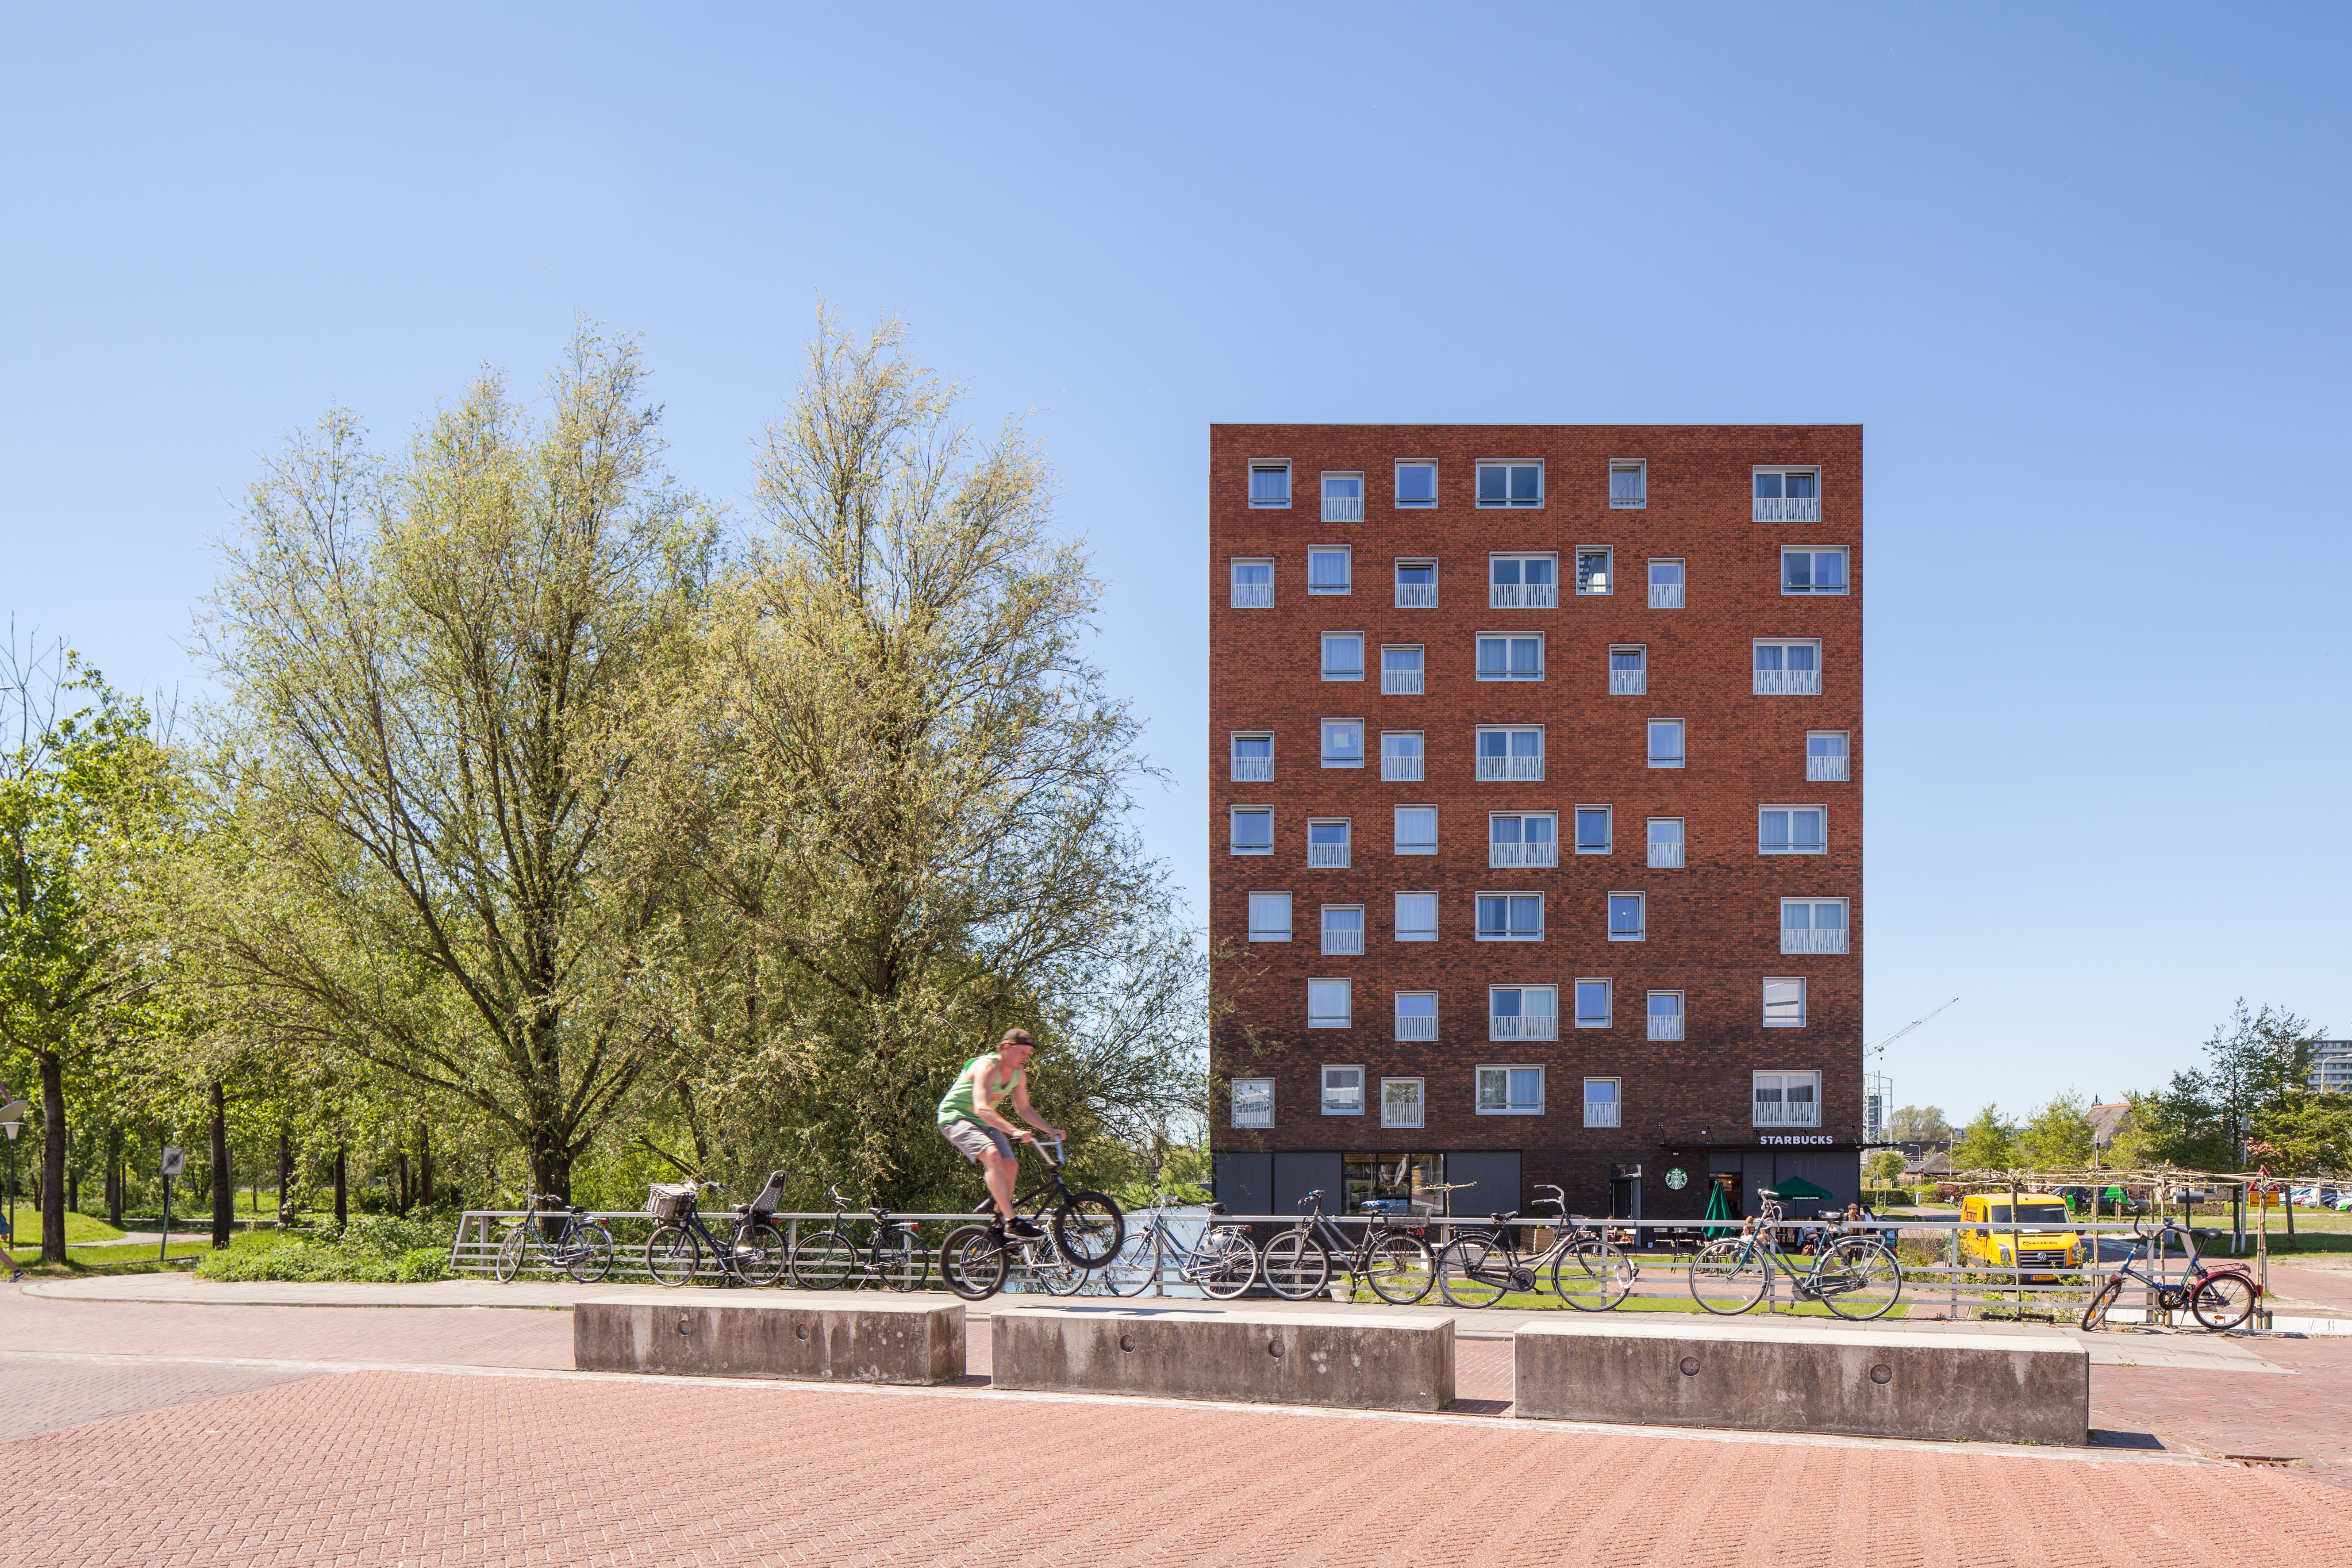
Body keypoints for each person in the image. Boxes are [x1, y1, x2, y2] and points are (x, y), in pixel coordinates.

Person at [936, 1029, 1064, 1239]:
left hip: (984, 1122)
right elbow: (982, 1109)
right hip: (955, 1118)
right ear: (1007, 1048)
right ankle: (1013, 1222)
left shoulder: (1018, 1075)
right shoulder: (986, 1066)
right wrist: (1014, 1131)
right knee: (993, 1155)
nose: (1026, 1058)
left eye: (1029, 1054)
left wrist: (1051, 1131)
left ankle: (998, 1227)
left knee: (1011, 1165)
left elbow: (1024, 1109)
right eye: (1022, 1053)